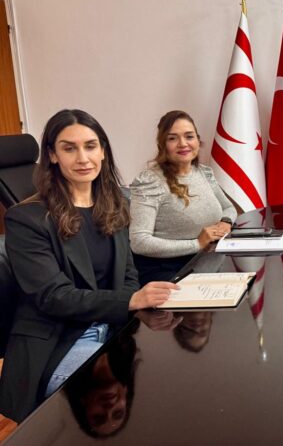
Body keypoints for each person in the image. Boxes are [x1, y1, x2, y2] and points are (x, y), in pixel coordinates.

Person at [0, 109, 177, 422]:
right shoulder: (26, 219)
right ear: (52, 155)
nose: (83, 158)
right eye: (69, 148)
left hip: (112, 327)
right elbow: (54, 297)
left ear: (103, 151)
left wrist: (137, 301)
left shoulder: (116, 204)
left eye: (90, 146)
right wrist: (131, 301)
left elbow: (128, 275)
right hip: (59, 341)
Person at [129, 111, 237, 284]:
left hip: (208, 263)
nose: (183, 144)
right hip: (168, 273)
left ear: (197, 140)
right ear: (162, 144)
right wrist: (197, 244)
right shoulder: (150, 181)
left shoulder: (203, 172)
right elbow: (139, 242)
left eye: (189, 136)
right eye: (172, 138)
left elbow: (228, 208)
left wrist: (225, 222)